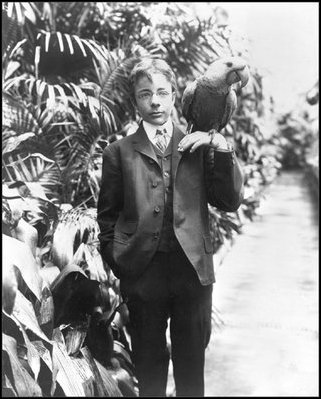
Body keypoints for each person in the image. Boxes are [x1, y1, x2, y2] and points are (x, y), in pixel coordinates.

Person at [97, 58, 244, 397]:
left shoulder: (199, 143)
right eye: (145, 94)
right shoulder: (119, 153)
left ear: (176, 96)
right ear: (136, 101)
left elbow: (229, 200)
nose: (155, 101)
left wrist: (221, 148)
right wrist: (120, 262)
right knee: (149, 367)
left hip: (192, 272)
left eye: (162, 92)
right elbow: (106, 216)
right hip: (143, 274)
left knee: (191, 368)